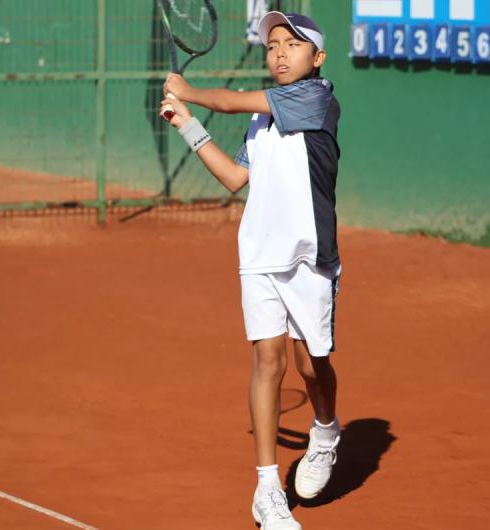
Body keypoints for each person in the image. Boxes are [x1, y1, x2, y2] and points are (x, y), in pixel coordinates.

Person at [160, 11, 342, 530]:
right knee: (268, 362)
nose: (280, 53)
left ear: (318, 58)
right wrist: (187, 125)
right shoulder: (261, 121)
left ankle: (325, 431)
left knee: (312, 368)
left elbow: (230, 98)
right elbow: (235, 178)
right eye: (272, 45)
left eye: (293, 44)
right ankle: (267, 489)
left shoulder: (317, 98)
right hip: (259, 255)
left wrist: (190, 92)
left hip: (310, 259)